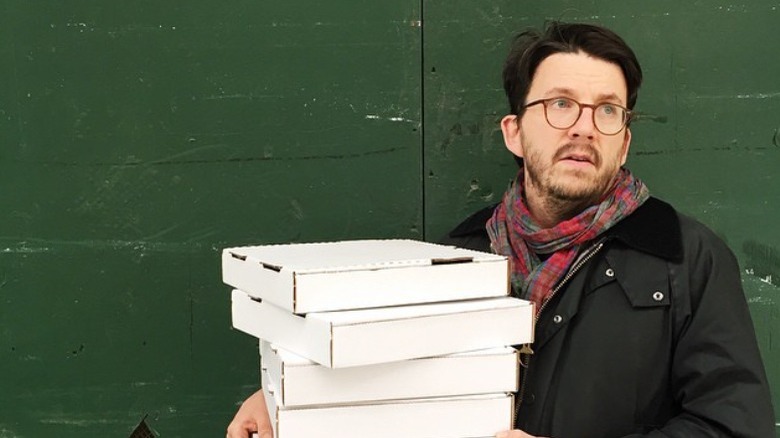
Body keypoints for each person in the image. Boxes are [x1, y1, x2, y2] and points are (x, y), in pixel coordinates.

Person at [227, 21, 774, 438]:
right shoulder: (456, 255)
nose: (584, 126)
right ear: (514, 132)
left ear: (624, 141)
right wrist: (284, 401)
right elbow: (392, 384)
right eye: (561, 104)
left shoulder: (686, 257)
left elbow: (733, 427)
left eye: (608, 111)